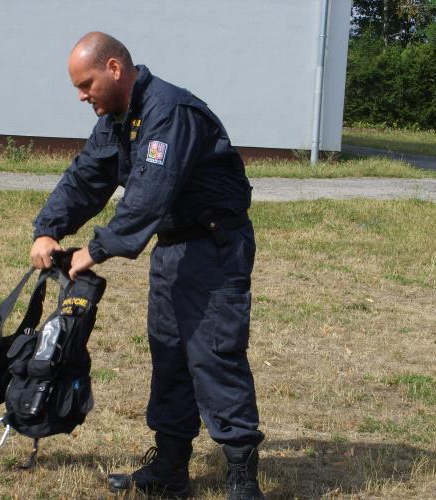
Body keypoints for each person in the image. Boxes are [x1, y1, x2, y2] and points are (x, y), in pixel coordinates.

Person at [30, 31, 265, 500]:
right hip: (174, 249)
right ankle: (171, 467)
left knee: (213, 353)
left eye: (86, 84)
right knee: (170, 354)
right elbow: (86, 176)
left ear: (114, 68)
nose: (81, 96)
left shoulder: (169, 113)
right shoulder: (118, 119)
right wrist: (48, 227)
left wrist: (94, 250)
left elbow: (149, 195)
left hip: (214, 245)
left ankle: (242, 474)